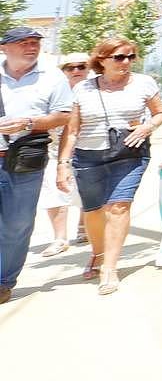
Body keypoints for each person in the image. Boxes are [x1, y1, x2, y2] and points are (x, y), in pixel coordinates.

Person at [59, 37, 162, 295]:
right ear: (102, 60)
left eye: (131, 57)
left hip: (129, 152)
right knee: (94, 211)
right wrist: (63, 163)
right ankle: (97, 253)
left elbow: (160, 112)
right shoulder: (83, 89)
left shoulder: (144, 83)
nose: (126, 62)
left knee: (118, 206)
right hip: (88, 156)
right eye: (119, 57)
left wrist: (147, 126)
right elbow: (72, 130)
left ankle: (109, 267)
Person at [0, 27, 75, 303]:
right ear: (4, 47)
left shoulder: (52, 77)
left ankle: (4, 281)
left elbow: (63, 116)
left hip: (23, 160)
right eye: (23, 43)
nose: (31, 47)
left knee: (16, 224)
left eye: (35, 43)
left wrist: (28, 123)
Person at [37, 53, 90, 256]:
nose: (76, 71)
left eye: (81, 66)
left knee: (87, 191)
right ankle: (60, 238)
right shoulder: (53, 90)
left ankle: (84, 228)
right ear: (63, 71)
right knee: (54, 190)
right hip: (53, 150)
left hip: (87, 149)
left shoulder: (97, 89)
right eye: (70, 67)